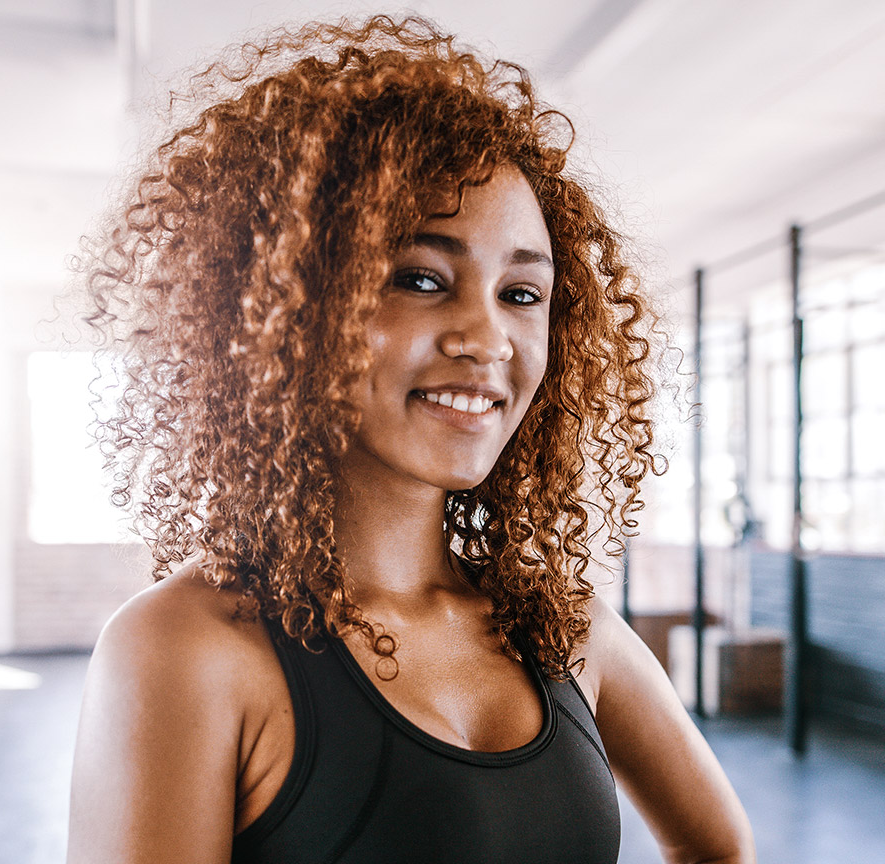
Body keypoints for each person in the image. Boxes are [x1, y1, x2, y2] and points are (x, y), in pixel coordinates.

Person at [65, 14, 753, 864]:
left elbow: (721, 848)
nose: (488, 337)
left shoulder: (565, 630)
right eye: (421, 279)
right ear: (288, 311)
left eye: (522, 294)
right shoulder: (186, 651)